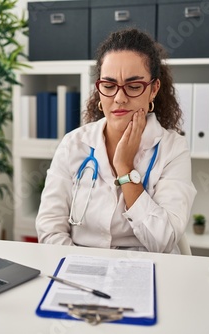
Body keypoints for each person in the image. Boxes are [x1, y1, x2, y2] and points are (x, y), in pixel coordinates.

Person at [35, 28, 196, 253]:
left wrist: (125, 168)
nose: (119, 98)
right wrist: (82, 267)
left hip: (147, 270)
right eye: (109, 86)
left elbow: (163, 240)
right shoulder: (73, 144)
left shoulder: (172, 149)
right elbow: (50, 229)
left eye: (133, 86)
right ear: (99, 90)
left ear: (153, 89)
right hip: (80, 269)